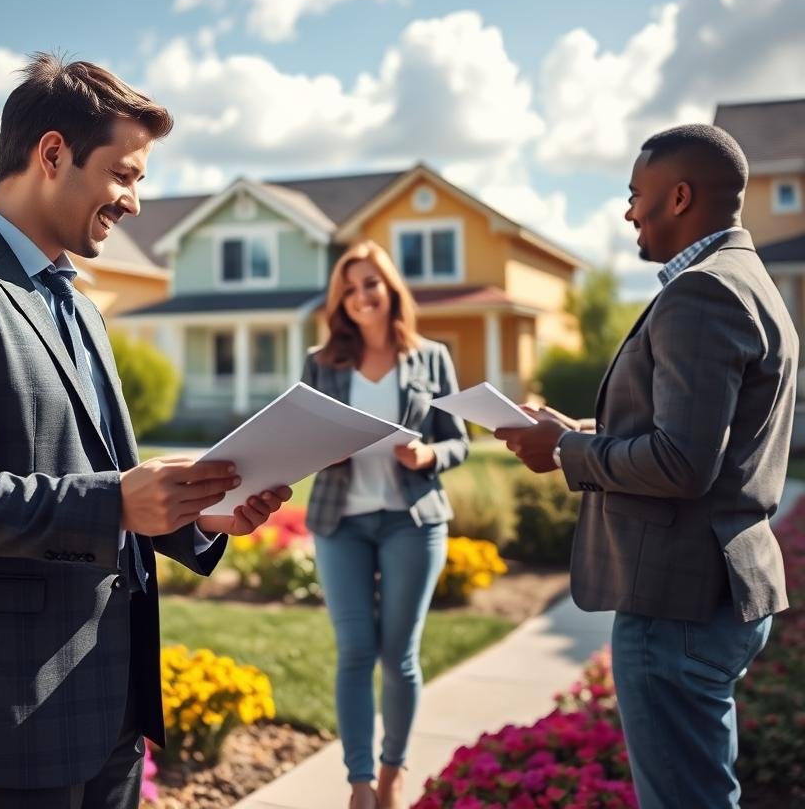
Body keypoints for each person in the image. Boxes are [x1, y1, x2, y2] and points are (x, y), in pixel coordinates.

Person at [0, 53, 292, 809]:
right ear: (53, 154)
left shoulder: (81, 305)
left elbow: (96, 468)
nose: (133, 203)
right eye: (124, 175)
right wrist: (118, 504)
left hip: (106, 707)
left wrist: (197, 512)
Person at [496, 124, 798, 809]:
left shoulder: (702, 293)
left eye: (637, 194)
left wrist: (566, 455)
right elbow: (691, 437)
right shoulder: (750, 283)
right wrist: (576, 431)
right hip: (717, 590)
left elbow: (682, 464)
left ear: (680, 196)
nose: (629, 210)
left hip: (677, 602)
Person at [301, 240, 467, 809]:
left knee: (398, 654)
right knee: (354, 651)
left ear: (390, 289)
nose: (359, 296)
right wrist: (324, 450)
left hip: (411, 522)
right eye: (349, 288)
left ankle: (394, 770)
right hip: (340, 522)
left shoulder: (432, 358)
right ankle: (359, 783)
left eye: (370, 283)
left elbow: (458, 442)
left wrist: (428, 457)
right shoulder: (322, 362)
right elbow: (302, 440)